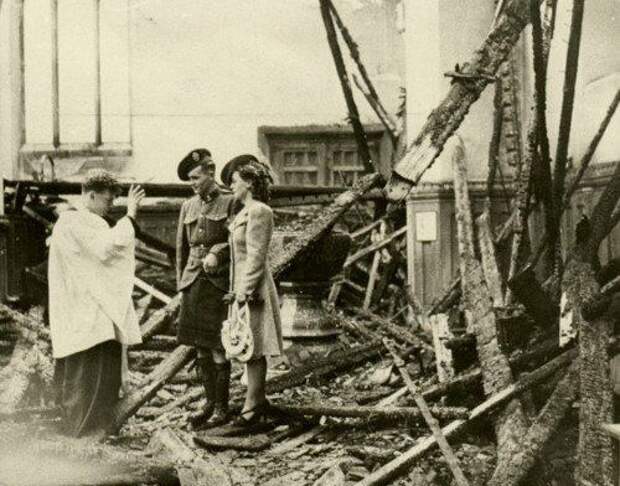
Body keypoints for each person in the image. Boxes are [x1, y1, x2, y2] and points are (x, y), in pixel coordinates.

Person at [48, 169, 144, 437]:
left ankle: (98, 426)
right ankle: (84, 430)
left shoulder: (87, 221)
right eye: (108, 199)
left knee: (100, 370)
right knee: (87, 372)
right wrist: (131, 214)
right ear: (91, 195)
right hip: (85, 308)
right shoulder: (74, 222)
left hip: (94, 307)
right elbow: (108, 248)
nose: (111, 205)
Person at [220, 154, 283, 426]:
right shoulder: (243, 212)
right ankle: (256, 401)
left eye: (235, 181)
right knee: (248, 345)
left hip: (254, 288)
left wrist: (244, 292)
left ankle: (253, 405)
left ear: (248, 182)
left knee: (255, 346)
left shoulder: (260, 211)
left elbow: (257, 255)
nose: (231, 186)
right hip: (242, 286)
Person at [176, 148, 235, 429]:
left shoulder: (231, 201)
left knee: (218, 347)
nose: (193, 184)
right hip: (193, 283)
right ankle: (209, 403)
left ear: (211, 172)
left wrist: (217, 252)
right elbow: (181, 249)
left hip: (217, 284)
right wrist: (181, 283)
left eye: (196, 178)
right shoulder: (188, 206)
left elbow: (236, 240)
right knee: (200, 348)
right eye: (189, 179)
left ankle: (222, 408)